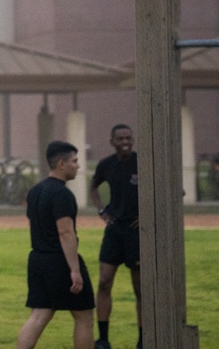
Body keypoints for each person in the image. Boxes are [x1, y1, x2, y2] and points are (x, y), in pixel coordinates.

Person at [17, 141, 95, 349]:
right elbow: (65, 232)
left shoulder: (35, 191)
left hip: (37, 260)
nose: (78, 165)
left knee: (39, 315)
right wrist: (75, 270)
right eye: (74, 161)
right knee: (84, 316)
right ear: (61, 164)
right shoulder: (62, 194)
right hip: (59, 261)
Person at [89, 124, 141, 349]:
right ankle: (103, 339)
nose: (125, 142)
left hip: (137, 232)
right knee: (103, 282)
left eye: (128, 137)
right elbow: (93, 187)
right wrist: (102, 210)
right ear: (112, 142)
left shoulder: (143, 162)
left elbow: (174, 189)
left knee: (140, 287)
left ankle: (143, 339)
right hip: (114, 229)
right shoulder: (106, 164)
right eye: (120, 138)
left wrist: (147, 215)